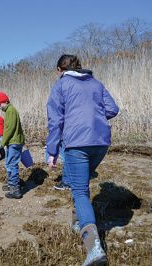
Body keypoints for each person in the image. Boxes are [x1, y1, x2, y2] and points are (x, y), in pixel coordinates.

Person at [46, 54, 119, 266]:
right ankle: (78, 220)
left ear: (60, 69)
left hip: (77, 142)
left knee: (79, 190)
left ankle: (94, 248)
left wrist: (52, 151)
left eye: (57, 71)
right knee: (82, 184)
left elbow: (55, 120)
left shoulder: (61, 86)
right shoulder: (95, 83)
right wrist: (93, 115)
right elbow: (113, 109)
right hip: (101, 142)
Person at [0, 91, 25, 199]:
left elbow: (9, 129)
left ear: (5, 101)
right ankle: (11, 184)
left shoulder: (10, 111)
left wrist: (2, 143)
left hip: (14, 142)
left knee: (12, 164)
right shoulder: (10, 110)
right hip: (14, 142)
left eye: (0, 105)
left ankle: (15, 189)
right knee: (9, 163)